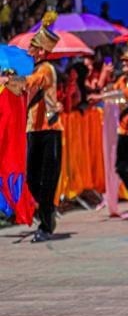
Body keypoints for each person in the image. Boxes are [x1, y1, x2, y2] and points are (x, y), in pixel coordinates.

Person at [90, 34, 128, 221]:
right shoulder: (121, 80)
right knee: (121, 166)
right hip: (124, 130)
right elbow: (110, 92)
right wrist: (105, 77)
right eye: (123, 62)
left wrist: (101, 98)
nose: (124, 65)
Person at [21, 12, 63, 242]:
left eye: (33, 47)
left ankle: (46, 225)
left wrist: (12, 81)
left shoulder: (45, 70)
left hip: (49, 129)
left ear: (42, 51)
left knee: (47, 178)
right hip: (33, 129)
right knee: (31, 179)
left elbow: (30, 84)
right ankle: (48, 210)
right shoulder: (33, 70)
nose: (29, 51)